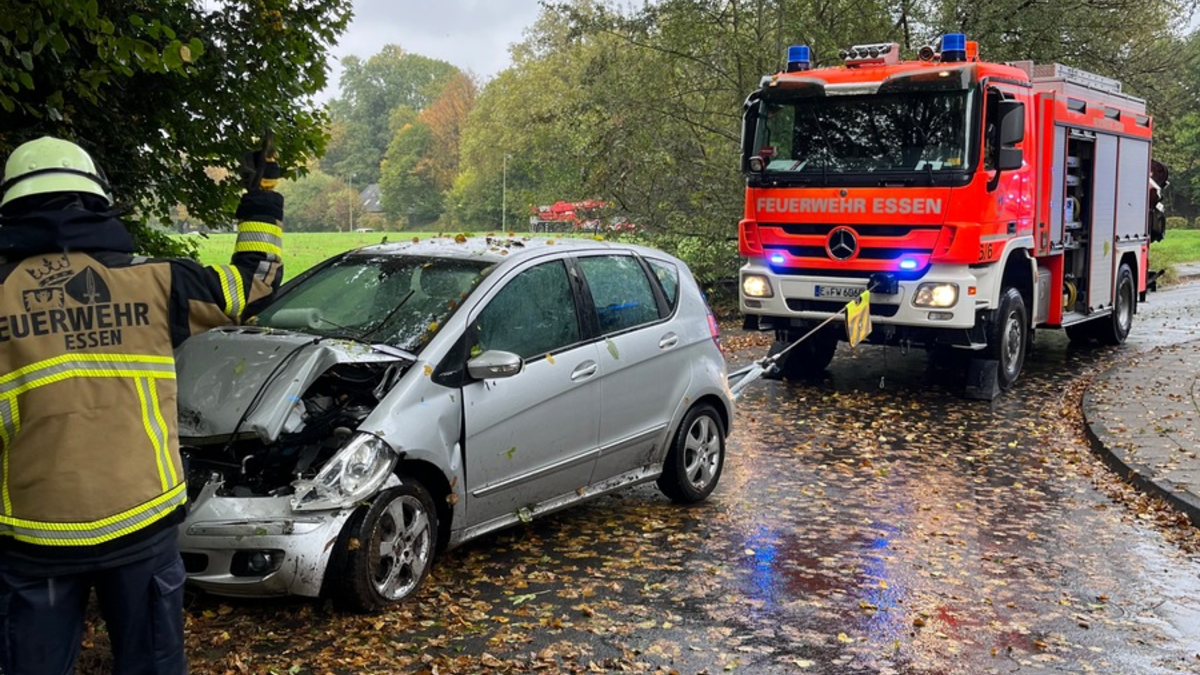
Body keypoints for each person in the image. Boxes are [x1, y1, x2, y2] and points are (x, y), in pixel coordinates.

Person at [0, 136, 284, 675]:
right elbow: (255, 286)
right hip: (142, 524)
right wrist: (262, 202)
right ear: (98, 201)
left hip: (36, 535)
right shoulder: (160, 282)